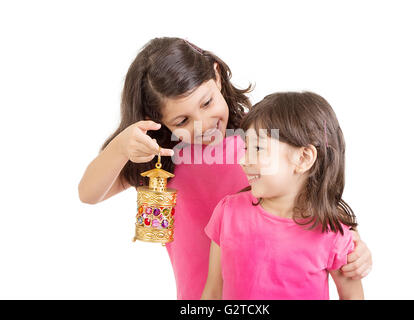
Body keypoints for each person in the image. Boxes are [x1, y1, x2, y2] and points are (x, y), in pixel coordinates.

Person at [78, 37, 372, 299]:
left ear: (217, 75)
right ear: (156, 121)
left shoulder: (260, 137)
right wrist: (120, 146)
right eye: (182, 121)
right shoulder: (161, 156)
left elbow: (311, 188)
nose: (203, 125)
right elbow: (89, 194)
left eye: (206, 103)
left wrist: (351, 245)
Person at [202, 92, 364, 299]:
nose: (243, 160)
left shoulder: (332, 233)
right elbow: (213, 292)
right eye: (246, 147)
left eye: (258, 148)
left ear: (303, 157)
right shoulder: (227, 213)